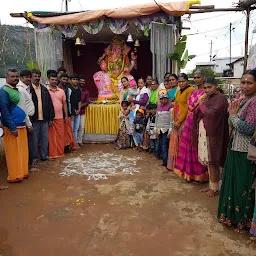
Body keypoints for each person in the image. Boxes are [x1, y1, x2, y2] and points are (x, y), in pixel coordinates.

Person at [217, 70, 256, 232]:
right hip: (235, 146)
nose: (245, 86)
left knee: (242, 185)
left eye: (249, 83)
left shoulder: (254, 102)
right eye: (243, 82)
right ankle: (231, 217)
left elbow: (248, 128)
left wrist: (233, 116)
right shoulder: (242, 100)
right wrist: (232, 116)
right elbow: (233, 124)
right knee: (232, 182)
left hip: (245, 150)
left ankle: (242, 220)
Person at [192, 77, 229, 196]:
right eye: (205, 88)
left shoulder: (221, 98)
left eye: (209, 87)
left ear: (216, 86)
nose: (207, 90)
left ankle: (215, 188)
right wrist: (200, 103)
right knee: (209, 160)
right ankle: (212, 185)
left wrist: (202, 105)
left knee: (214, 160)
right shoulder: (207, 98)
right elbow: (196, 111)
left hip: (215, 134)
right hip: (205, 131)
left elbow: (211, 113)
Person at [174, 70, 208, 182]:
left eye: (198, 77)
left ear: (203, 77)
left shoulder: (205, 92)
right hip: (189, 121)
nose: (196, 79)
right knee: (188, 147)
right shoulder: (194, 92)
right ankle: (190, 173)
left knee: (197, 147)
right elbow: (188, 108)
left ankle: (200, 175)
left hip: (198, 121)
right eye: (195, 77)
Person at [0, 69, 32, 182]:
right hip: (12, 128)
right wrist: (12, 127)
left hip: (22, 125)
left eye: (17, 76)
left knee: (22, 151)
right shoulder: (4, 91)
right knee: (13, 153)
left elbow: (23, 108)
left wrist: (28, 124)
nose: (15, 78)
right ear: (7, 78)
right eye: (12, 76)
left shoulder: (17, 90)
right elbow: (4, 111)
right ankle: (14, 176)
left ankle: (22, 172)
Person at [167, 73, 194, 171]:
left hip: (184, 120)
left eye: (183, 81)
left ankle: (182, 167)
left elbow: (188, 107)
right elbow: (176, 106)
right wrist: (174, 119)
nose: (181, 83)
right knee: (175, 142)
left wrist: (180, 121)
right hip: (176, 119)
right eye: (179, 82)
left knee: (182, 143)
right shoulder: (178, 92)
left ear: (187, 81)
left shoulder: (190, 90)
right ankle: (174, 165)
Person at [29, 69, 55, 166]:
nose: (37, 78)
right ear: (31, 77)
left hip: (44, 119)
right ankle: (34, 158)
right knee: (34, 141)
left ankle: (44, 156)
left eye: (38, 76)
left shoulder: (44, 89)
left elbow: (50, 104)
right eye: (35, 76)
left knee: (44, 139)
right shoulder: (28, 89)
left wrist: (51, 118)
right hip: (34, 120)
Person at [47, 73, 68, 159]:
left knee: (60, 136)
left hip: (60, 117)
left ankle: (60, 153)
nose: (54, 81)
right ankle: (52, 154)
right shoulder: (45, 90)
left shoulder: (61, 91)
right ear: (48, 80)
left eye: (56, 80)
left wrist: (66, 116)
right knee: (51, 137)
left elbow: (65, 104)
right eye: (52, 80)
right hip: (50, 118)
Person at [155, 90, 173, 168]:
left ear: (167, 98)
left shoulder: (171, 106)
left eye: (164, 98)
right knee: (162, 145)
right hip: (160, 129)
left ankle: (166, 162)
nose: (163, 100)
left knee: (165, 145)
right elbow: (157, 118)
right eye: (161, 99)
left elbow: (171, 119)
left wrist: (170, 129)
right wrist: (156, 128)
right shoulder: (159, 106)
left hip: (166, 129)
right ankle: (165, 161)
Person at [59, 73, 77, 151]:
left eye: (66, 80)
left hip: (68, 114)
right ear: (60, 79)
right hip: (59, 114)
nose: (65, 81)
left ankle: (68, 146)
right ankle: (61, 147)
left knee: (68, 131)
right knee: (61, 132)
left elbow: (71, 102)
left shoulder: (69, 90)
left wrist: (72, 113)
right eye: (63, 79)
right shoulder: (57, 89)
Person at [68, 74, 81, 144]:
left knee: (76, 128)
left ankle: (75, 143)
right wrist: (73, 111)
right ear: (70, 80)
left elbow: (79, 100)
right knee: (71, 128)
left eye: (76, 79)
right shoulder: (68, 89)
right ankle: (71, 144)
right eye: (73, 79)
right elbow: (69, 101)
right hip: (71, 113)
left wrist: (78, 109)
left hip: (77, 112)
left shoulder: (78, 89)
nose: (75, 81)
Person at [77, 75, 90, 147]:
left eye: (83, 81)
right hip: (74, 112)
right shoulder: (74, 89)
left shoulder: (86, 91)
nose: (82, 82)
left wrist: (80, 106)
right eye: (81, 81)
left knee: (81, 127)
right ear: (78, 81)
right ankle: (74, 142)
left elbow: (87, 102)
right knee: (75, 128)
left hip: (82, 112)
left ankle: (80, 141)